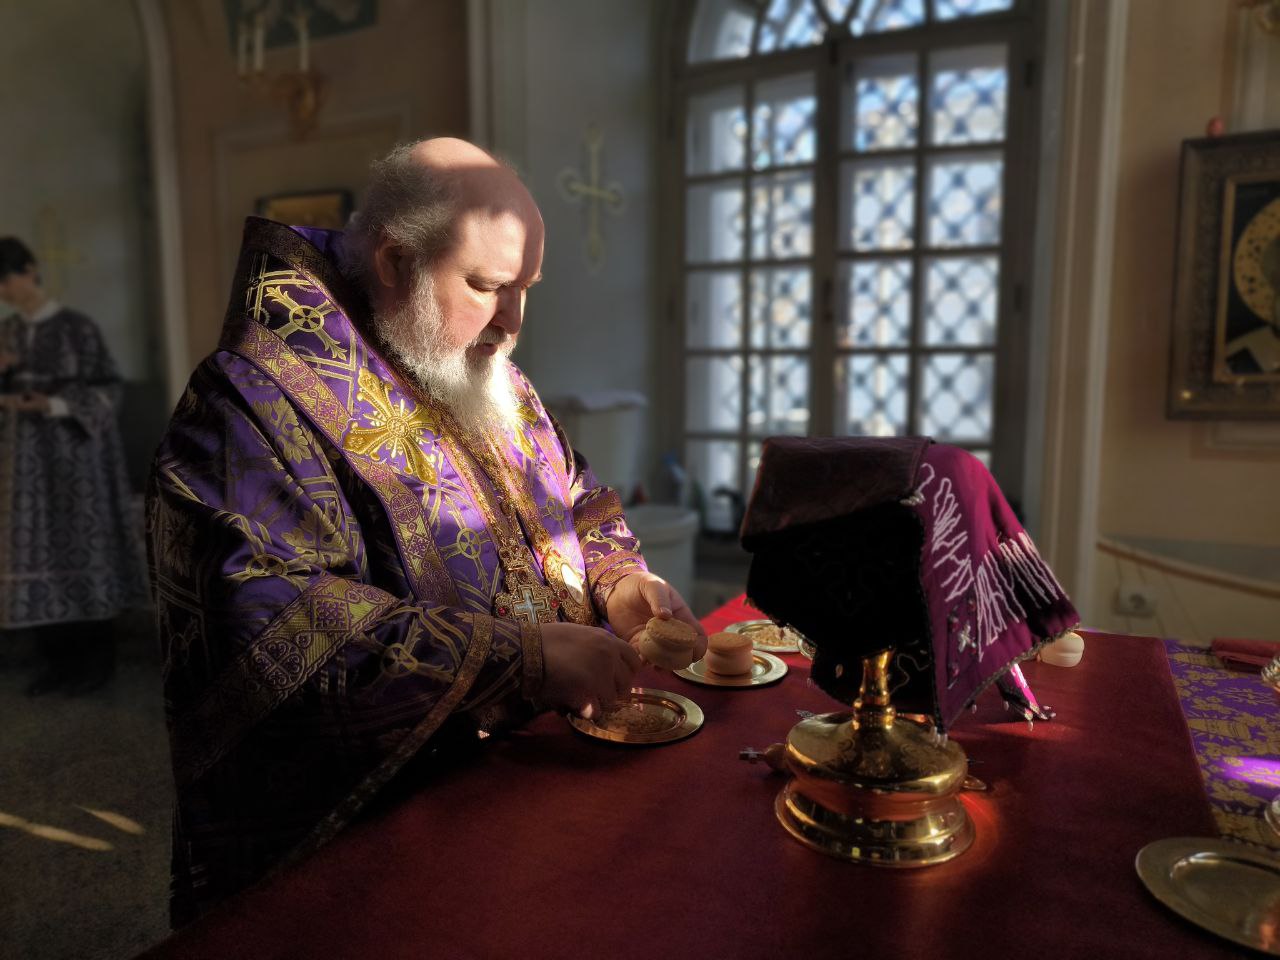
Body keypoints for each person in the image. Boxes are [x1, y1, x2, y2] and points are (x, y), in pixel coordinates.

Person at [146, 138, 707, 924]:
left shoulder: (487, 372)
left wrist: (618, 579)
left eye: (526, 290)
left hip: (539, 788)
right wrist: (520, 659)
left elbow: (572, 493)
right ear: (394, 260)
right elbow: (268, 623)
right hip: (380, 838)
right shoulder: (251, 401)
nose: (511, 323)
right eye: (486, 286)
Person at [0, 237, 146, 695]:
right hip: (23, 463)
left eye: (6, 280)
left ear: (30, 270)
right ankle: (57, 664)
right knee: (35, 550)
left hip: (75, 459)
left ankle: (95, 663)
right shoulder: (7, 332)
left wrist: (54, 403)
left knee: (82, 545)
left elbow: (108, 389)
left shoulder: (77, 328)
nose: (4, 292)